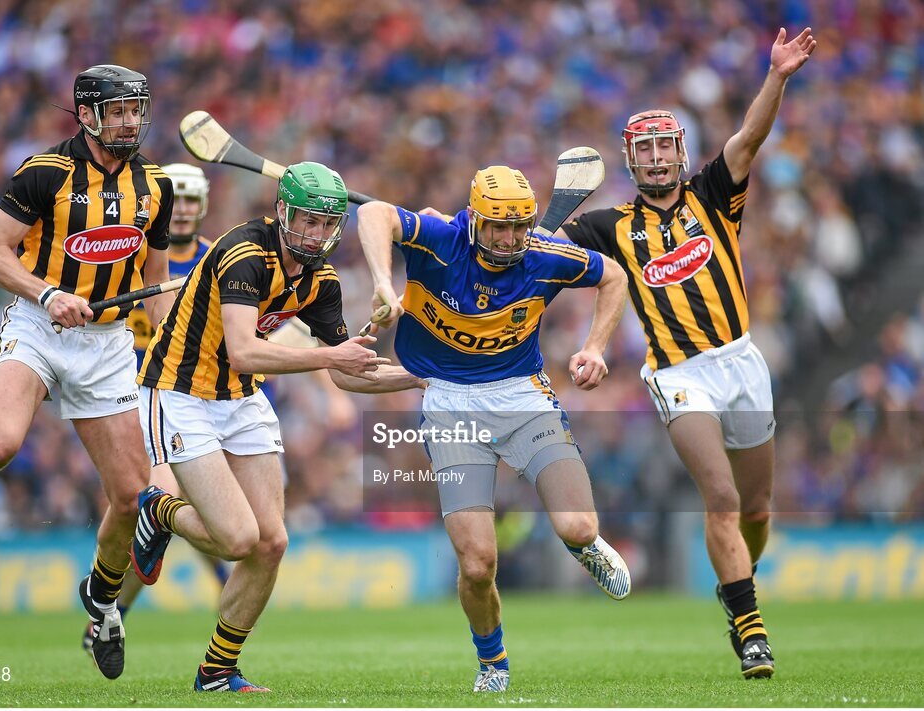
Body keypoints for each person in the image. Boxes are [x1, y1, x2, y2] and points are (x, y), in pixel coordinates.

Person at [558, 27, 817, 680]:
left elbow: (749, 137)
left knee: (755, 509)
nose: (653, 159)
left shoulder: (713, 193)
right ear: (629, 159)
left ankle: (735, 581)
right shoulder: (608, 225)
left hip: (740, 360)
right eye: (642, 150)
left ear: (679, 152)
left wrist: (776, 77)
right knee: (722, 496)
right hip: (678, 375)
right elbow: (535, 248)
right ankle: (750, 630)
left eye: (662, 147)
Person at [0, 64, 175, 681]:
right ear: (86, 114)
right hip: (39, 327)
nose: (130, 120)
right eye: (118, 110)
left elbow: (155, 283)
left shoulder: (155, 184)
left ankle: (105, 603)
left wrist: (172, 340)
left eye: (136, 109)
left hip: (108, 342)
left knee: (130, 495)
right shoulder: (45, 173)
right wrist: (47, 294)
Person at [129, 161, 424, 692]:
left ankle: (217, 670)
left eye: (326, 223)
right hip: (179, 392)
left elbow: (350, 374)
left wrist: (426, 377)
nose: (315, 233)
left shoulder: (322, 282)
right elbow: (244, 351)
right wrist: (330, 357)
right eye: (306, 221)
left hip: (240, 400)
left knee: (271, 543)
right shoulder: (246, 253)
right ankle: (161, 510)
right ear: (282, 213)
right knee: (239, 539)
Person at [357, 165, 631, 693]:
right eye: (497, 228)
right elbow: (372, 213)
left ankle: (587, 547)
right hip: (449, 403)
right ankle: (493, 662)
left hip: (521, 396)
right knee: (479, 563)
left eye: (519, 227)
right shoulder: (441, 240)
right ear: (475, 220)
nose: (509, 240)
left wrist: (595, 346)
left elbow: (614, 276)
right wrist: (382, 284)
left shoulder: (546, 255)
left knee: (578, 527)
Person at [81, 163, 225, 652]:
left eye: (190, 199)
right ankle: (114, 608)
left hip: (210, 399)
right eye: (175, 199)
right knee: (161, 509)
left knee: (175, 517)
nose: (182, 208)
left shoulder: (219, 260)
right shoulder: (133, 257)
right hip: (145, 398)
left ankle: (112, 609)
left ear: (202, 205)